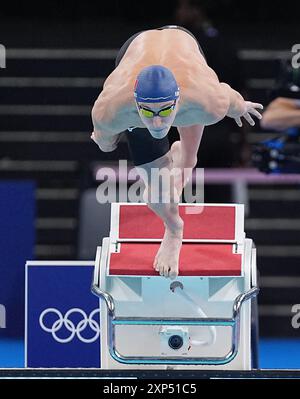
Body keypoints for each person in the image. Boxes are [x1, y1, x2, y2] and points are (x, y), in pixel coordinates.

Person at [91, 25, 263, 279]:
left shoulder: (206, 100)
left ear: (177, 99)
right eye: (148, 112)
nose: (157, 122)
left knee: (190, 151)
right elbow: (103, 140)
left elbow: (228, 96)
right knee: (156, 194)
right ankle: (174, 227)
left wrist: (240, 107)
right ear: (136, 102)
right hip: (135, 48)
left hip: (185, 48)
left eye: (164, 110)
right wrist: (105, 140)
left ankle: (184, 164)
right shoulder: (112, 108)